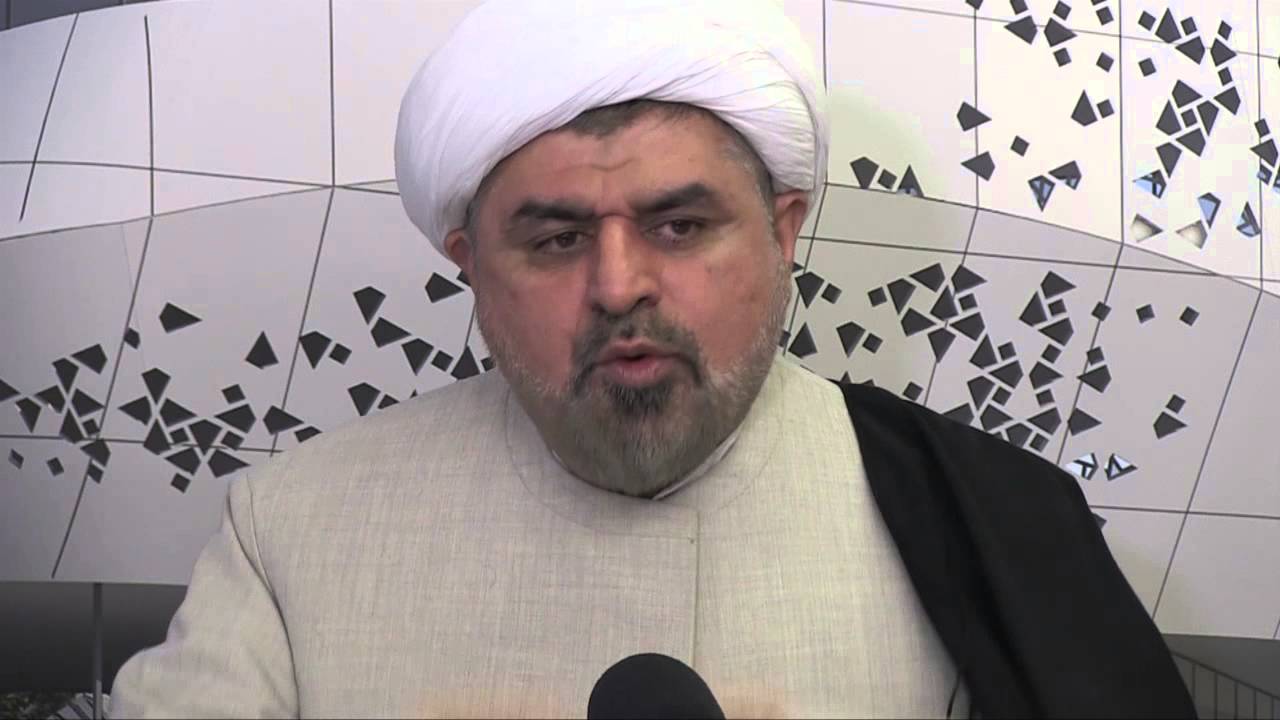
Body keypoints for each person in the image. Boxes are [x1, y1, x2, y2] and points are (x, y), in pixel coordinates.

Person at [110, 0, 1195, 717]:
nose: (619, 284)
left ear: (780, 233)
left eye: (680, 226)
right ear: (470, 267)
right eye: (556, 239)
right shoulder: (294, 533)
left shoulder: (992, 523)